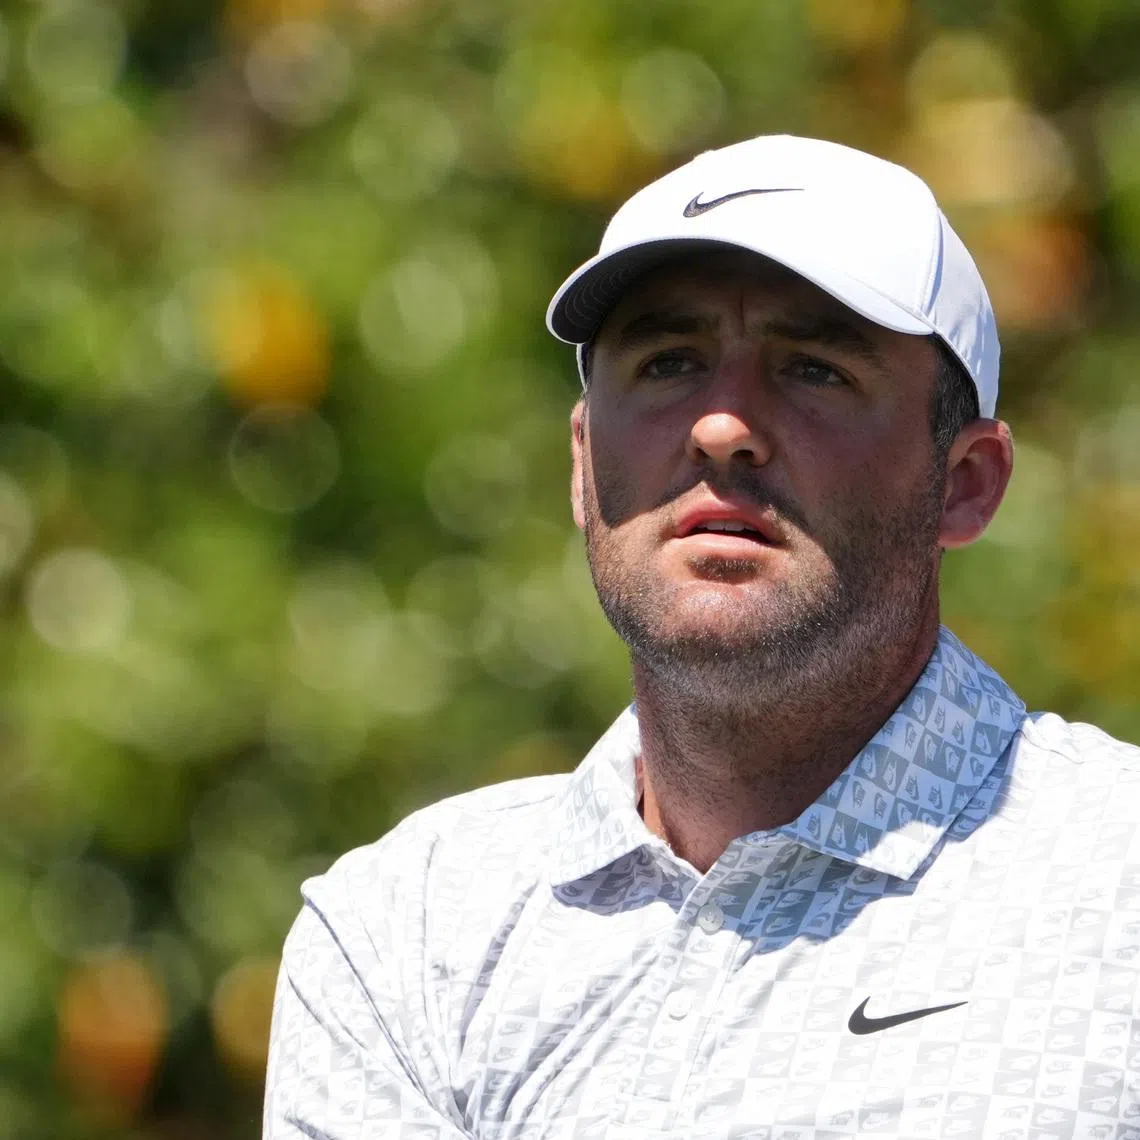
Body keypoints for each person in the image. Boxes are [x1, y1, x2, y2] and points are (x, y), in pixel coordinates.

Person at [263, 135, 1140, 1139]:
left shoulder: (1117, 887)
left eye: (813, 369)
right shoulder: (406, 935)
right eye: (668, 362)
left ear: (966, 481)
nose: (723, 426)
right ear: (587, 468)